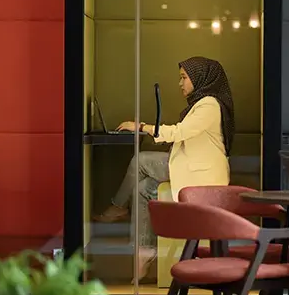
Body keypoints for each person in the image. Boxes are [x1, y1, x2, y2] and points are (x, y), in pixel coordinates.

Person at [92, 56, 234, 282]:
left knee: (140, 160)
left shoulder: (209, 104)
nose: (180, 84)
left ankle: (117, 206)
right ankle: (145, 251)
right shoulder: (202, 103)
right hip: (190, 165)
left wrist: (141, 127)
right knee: (143, 188)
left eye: (184, 78)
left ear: (200, 78)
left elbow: (179, 132)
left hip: (200, 173)